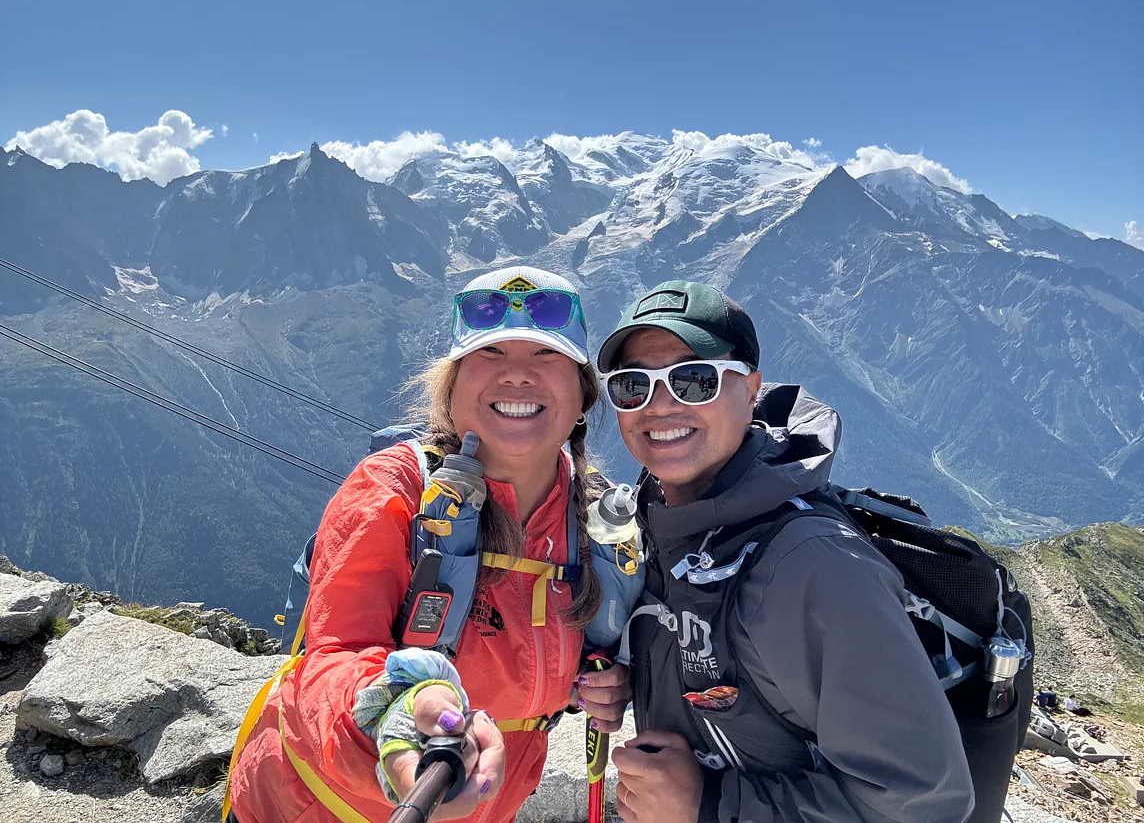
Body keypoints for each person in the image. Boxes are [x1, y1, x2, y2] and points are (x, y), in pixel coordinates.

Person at [227, 266, 630, 823]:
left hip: (485, 806)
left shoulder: (595, 519)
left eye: (545, 356)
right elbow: (335, 653)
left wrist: (604, 681)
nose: (516, 376)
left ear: (583, 394)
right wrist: (396, 711)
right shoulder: (394, 489)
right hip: (321, 803)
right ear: (451, 388)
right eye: (489, 355)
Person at [595, 281, 975, 823]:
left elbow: (924, 805)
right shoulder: (663, 521)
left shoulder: (814, 566)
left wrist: (707, 805)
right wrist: (639, 679)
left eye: (694, 380)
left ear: (751, 390)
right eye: (632, 386)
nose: (659, 406)